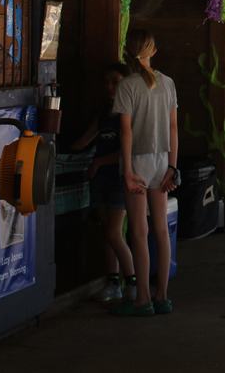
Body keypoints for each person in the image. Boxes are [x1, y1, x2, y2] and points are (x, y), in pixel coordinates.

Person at [113, 30, 179, 317]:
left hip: (137, 161)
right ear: (153, 51)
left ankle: (142, 299)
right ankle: (162, 296)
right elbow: (174, 128)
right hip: (163, 159)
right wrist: (173, 167)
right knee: (161, 230)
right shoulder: (168, 84)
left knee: (139, 232)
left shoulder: (126, 86)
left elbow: (125, 131)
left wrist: (127, 170)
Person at [70, 63, 135, 304]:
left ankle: (133, 281)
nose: (110, 87)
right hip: (101, 180)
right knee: (107, 232)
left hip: (119, 179)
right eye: (107, 82)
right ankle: (113, 282)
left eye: (115, 82)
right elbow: (84, 141)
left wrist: (99, 162)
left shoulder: (128, 114)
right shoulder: (104, 114)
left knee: (113, 232)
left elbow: (128, 151)